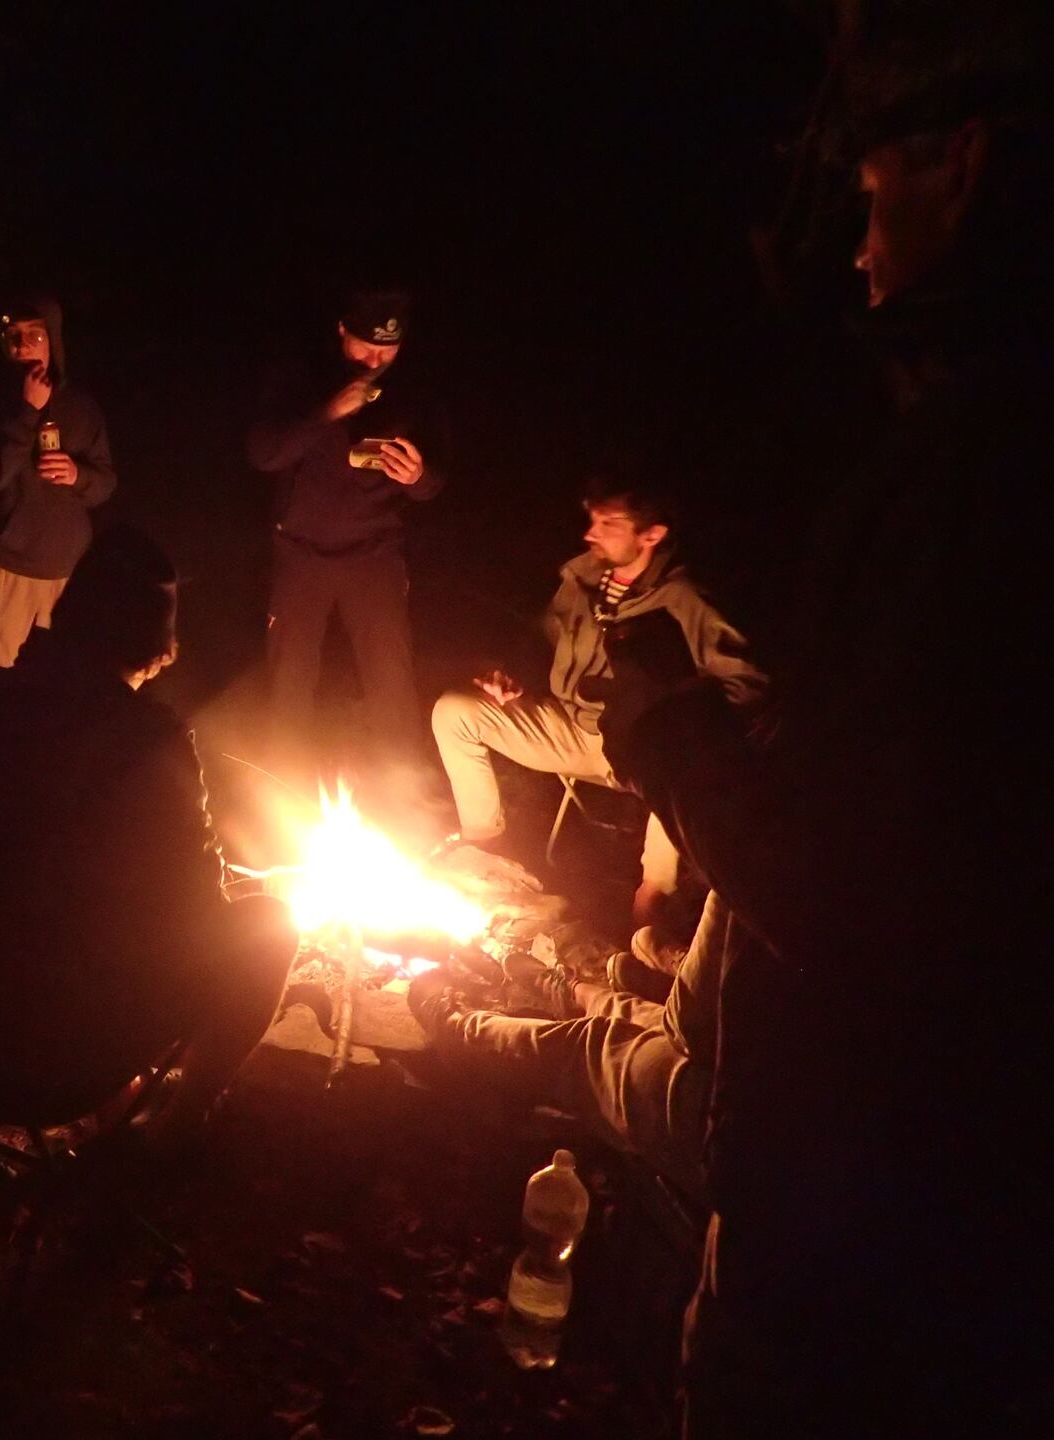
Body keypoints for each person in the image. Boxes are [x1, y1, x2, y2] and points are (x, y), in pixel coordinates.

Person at [595, 26, 1052, 1438]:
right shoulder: (981, 458)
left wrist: (672, 735)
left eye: (869, 198)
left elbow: (855, 892)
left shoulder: (978, 478)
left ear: (962, 166)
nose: (857, 252)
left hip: (867, 1187)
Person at [0, 526, 298, 1136]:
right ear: (159, 648)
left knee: (66, 926)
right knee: (268, 927)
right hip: (47, 1061)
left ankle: (121, 1116)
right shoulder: (144, 738)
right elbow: (192, 907)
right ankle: (172, 1130)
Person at [430, 478, 762, 924]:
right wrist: (512, 676)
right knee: (454, 712)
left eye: (609, 524)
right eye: (593, 520)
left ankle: (651, 904)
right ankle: (483, 851)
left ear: (652, 534)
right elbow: (540, 640)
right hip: (573, 728)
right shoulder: (584, 579)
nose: (591, 533)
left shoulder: (684, 599)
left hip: (647, 752)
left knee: (681, 773)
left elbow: (745, 684)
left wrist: (680, 720)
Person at [413, 892, 735, 1203]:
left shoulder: (748, 878)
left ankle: (455, 1028)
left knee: (585, 1045)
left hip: (727, 1128)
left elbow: (690, 1028)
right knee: (624, 1008)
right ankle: (573, 992)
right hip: (738, 1064)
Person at [247, 288, 447, 765]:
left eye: (388, 349)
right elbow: (264, 454)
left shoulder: (413, 390)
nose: (375, 360)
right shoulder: (300, 377)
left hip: (374, 554)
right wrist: (327, 413)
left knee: (391, 679)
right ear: (341, 330)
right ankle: (282, 781)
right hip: (301, 552)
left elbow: (436, 479)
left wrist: (418, 478)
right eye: (366, 346)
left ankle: (403, 787)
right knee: (289, 681)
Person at [0, 294, 117, 668]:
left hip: (68, 573)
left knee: (61, 678)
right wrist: (27, 412)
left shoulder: (81, 408)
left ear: (53, 341)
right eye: (14, 337)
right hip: (8, 573)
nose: (23, 346)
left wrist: (77, 474)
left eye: (35, 335)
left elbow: (105, 483)